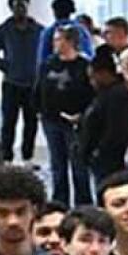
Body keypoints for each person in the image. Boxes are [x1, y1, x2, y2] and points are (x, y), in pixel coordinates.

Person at [33, 25, 95, 203]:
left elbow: (92, 94)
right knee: (57, 165)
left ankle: (84, 202)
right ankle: (60, 201)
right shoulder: (48, 64)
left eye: (59, 39)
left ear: (70, 42)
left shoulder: (84, 65)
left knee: (79, 165)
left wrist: (82, 116)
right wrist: (40, 111)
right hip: (51, 121)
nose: (55, 43)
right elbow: (39, 90)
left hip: (75, 122)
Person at [0, 0, 45, 161]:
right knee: (9, 122)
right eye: (17, 6)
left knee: (31, 123)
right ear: (11, 9)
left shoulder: (39, 30)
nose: (21, 9)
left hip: (33, 83)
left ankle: (28, 156)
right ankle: (7, 156)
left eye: (23, 6)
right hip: (11, 83)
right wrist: (5, 66)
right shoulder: (3, 29)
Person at [76, 55, 128, 199]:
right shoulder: (104, 93)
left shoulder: (118, 95)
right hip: (99, 157)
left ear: (104, 73)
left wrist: (99, 152)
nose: (92, 82)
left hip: (109, 160)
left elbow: (118, 130)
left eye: (93, 77)